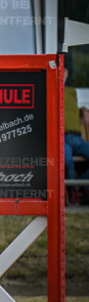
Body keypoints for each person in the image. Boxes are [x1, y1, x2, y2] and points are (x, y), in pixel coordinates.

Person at [63, 62, 89, 203]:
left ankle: (80, 185)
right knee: (66, 160)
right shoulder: (50, 90)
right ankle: (72, 190)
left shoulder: (71, 92)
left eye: (64, 71)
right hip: (63, 138)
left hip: (78, 138)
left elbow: (72, 108)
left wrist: (84, 109)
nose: (63, 73)